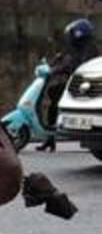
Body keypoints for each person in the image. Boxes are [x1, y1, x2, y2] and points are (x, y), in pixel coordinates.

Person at [36, 18, 100, 151]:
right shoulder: (77, 48)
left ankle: (56, 133)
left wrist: (58, 69)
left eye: (71, 34)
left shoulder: (90, 48)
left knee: (56, 96)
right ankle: (50, 137)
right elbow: (65, 60)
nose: (69, 38)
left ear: (79, 33)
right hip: (75, 84)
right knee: (53, 94)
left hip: (83, 88)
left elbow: (75, 65)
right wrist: (51, 66)